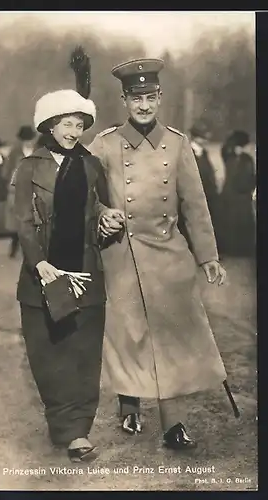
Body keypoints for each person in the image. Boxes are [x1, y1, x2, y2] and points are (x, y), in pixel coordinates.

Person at [88, 58, 230, 450]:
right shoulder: (104, 143)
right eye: (137, 99)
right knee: (128, 335)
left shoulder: (178, 144)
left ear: (160, 97)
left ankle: (175, 425)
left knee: (172, 339)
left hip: (168, 255)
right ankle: (129, 402)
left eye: (150, 98)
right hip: (122, 255)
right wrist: (102, 214)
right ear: (125, 100)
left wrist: (208, 256)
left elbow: (195, 205)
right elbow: (86, 195)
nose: (144, 106)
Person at [13, 47, 122, 462]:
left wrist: (109, 220)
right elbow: (23, 221)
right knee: (49, 357)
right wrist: (39, 263)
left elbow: (101, 212)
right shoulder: (27, 169)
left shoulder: (92, 166)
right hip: (42, 276)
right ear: (49, 126)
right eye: (65, 123)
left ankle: (79, 432)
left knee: (83, 356)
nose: (73, 131)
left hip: (86, 275)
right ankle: (62, 423)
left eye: (79, 124)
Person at [178, 121, 220, 250]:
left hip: (206, 192)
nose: (205, 139)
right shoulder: (186, 151)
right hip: (191, 192)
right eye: (203, 136)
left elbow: (209, 173)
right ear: (196, 137)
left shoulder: (204, 153)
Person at [218, 130, 256, 257]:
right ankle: (230, 248)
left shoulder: (247, 159)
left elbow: (252, 176)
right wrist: (233, 143)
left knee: (243, 221)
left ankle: (243, 249)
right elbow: (224, 149)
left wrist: (251, 187)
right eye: (239, 147)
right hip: (231, 194)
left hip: (243, 195)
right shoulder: (229, 156)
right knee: (229, 222)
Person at [2, 125, 36, 258]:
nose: (28, 142)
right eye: (26, 139)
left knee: (31, 220)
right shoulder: (15, 152)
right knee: (16, 221)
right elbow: (6, 172)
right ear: (21, 140)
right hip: (16, 190)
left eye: (30, 139)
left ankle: (30, 250)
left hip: (32, 189)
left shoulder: (37, 151)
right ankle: (14, 248)